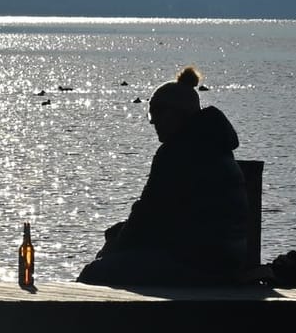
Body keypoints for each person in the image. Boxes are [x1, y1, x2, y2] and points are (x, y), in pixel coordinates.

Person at [78, 66, 252, 286]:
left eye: (159, 112)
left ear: (180, 114)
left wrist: (117, 246)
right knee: (118, 243)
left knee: (94, 273)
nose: (153, 122)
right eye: (151, 114)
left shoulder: (178, 152)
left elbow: (148, 212)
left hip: (199, 263)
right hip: (224, 257)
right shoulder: (214, 145)